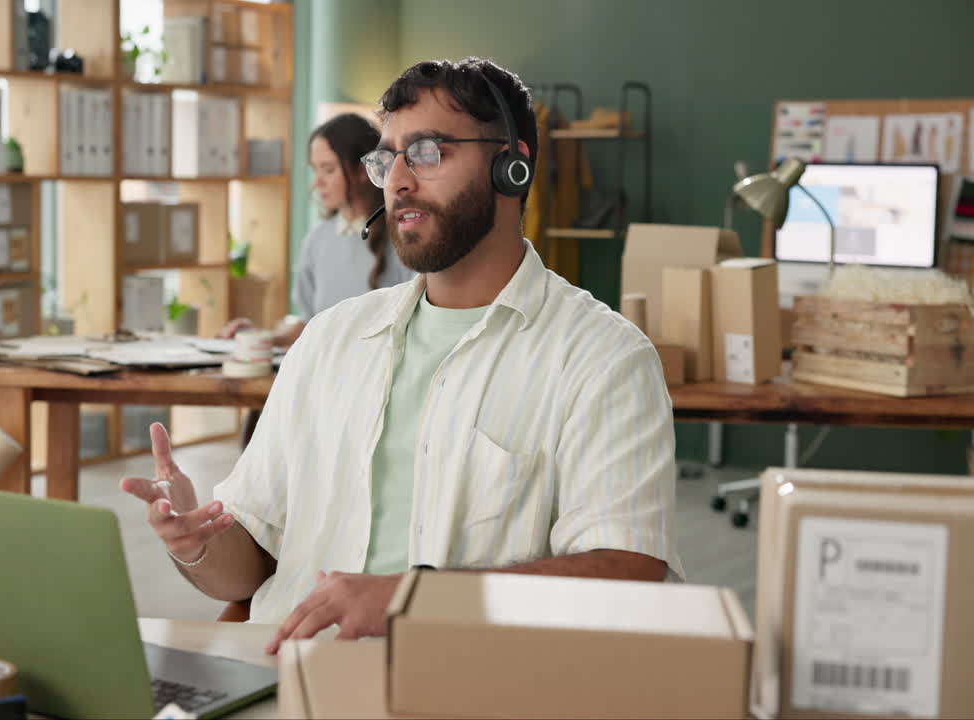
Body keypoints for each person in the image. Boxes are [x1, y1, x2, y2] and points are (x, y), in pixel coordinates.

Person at [121, 58, 682, 653]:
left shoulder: (603, 357)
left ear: (510, 167)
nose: (398, 181)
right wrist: (197, 541)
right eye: (387, 158)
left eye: (429, 152)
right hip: (285, 674)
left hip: (454, 684)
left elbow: (629, 574)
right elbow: (250, 568)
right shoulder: (330, 340)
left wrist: (410, 599)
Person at [219, 113, 414, 348]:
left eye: (328, 170)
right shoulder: (317, 240)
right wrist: (260, 338)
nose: (317, 182)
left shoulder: (402, 235)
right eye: (316, 170)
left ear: (364, 170)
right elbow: (309, 326)